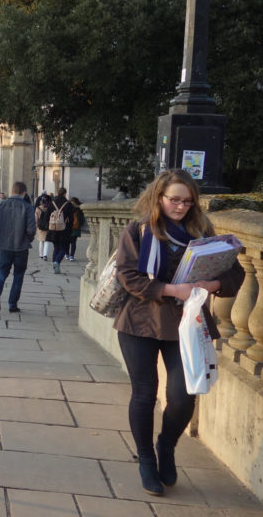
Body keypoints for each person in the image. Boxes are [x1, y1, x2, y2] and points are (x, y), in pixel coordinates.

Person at [113, 169, 243, 496]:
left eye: (188, 201)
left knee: (185, 395)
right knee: (144, 393)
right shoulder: (140, 230)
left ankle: (166, 446)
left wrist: (209, 284)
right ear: (159, 197)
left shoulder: (202, 231)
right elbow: (129, 276)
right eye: (175, 200)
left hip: (188, 323)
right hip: (139, 322)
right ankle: (145, 461)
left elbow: (236, 273)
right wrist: (173, 289)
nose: (181, 207)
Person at [0, 181, 36, 313]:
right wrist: (27, 239)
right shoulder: (27, 207)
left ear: (12, 191)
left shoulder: (0, 205)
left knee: (2, 271)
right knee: (18, 275)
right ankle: (12, 304)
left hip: (4, 246)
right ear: (24, 193)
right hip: (21, 247)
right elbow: (31, 229)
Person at [43, 187, 75, 274]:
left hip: (53, 229)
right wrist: (70, 228)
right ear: (65, 193)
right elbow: (71, 218)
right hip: (63, 229)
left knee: (56, 248)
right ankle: (57, 262)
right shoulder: (68, 204)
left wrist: (48, 225)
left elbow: (46, 216)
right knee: (63, 249)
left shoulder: (52, 203)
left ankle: (54, 267)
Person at [67, 197, 85, 261]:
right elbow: (82, 220)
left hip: (68, 227)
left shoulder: (68, 208)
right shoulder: (79, 209)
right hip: (76, 227)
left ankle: (67, 254)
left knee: (67, 242)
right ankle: (72, 256)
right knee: (73, 242)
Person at [34, 194, 51, 261]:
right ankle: (45, 255)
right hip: (48, 226)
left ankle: (40, 255)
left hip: (40, 226)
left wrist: (36, 226)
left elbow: (36, 219)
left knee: (41, 241)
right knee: (47, 241)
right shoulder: (49, 208)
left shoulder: (38, 209)